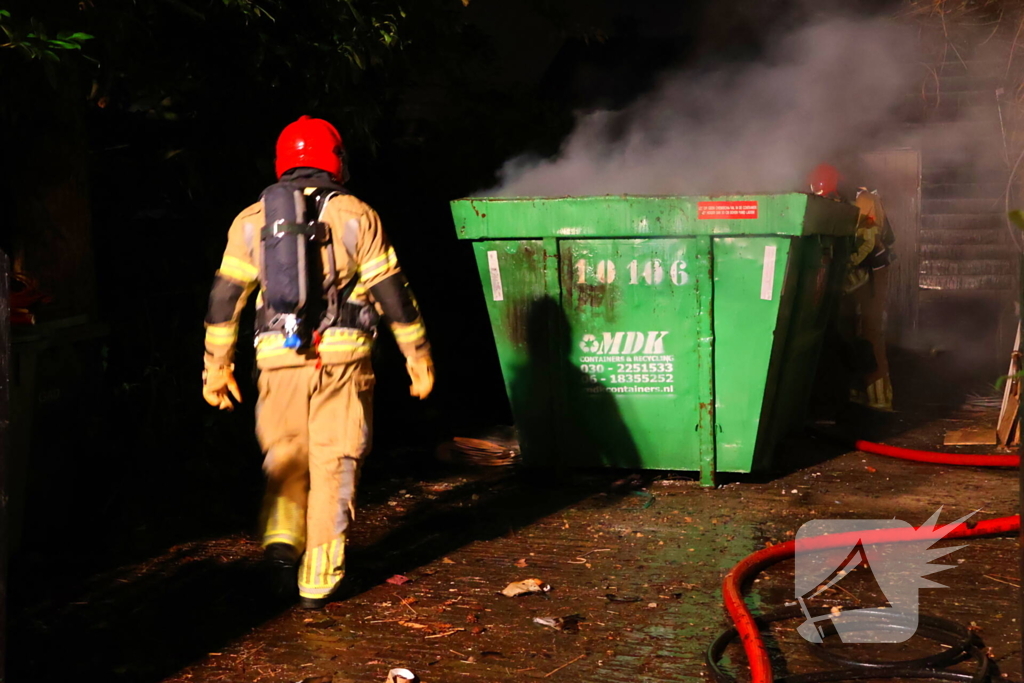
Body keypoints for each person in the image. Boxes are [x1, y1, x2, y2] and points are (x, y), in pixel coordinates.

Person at [201, 116, 434, 608]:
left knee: (286, 455)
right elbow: (391, 291)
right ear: (337, 161)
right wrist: (418, 357)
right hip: (343, 362)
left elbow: (225, 300)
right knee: (334, 461)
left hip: (277, 359)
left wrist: (215, 367)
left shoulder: (250, 219)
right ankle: (318, 580)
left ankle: (283, 536)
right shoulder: (356, 214)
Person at [808, 164, 895, 412]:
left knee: (870, 332)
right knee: (848, 331)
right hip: (856, 271)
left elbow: (867, 242)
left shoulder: (866, 201)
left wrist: (842, 268)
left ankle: (879, 398)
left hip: (872, 271)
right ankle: (857, 391)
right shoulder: (844, 201)